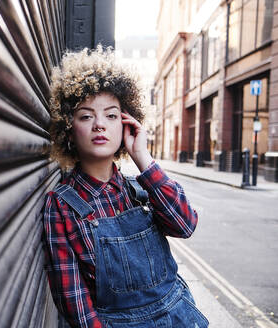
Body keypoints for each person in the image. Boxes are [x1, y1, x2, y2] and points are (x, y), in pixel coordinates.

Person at [42, 46, 209, 328]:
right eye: (85, 116)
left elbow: (185, 224)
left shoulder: (142, 191)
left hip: (180, 317)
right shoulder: (61, 205)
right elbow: (75, 304)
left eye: (111, 115)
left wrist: (143, 158)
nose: (99, 125)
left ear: (126, 123)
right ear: (68, 129)